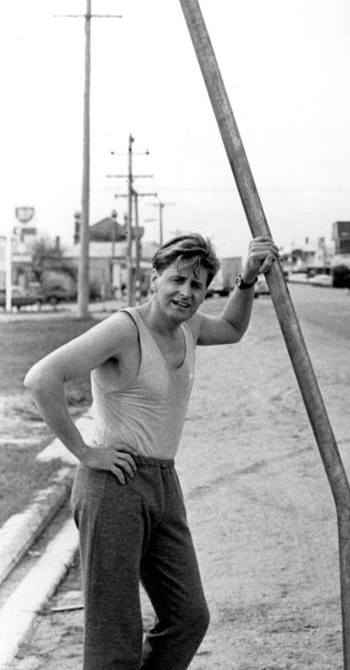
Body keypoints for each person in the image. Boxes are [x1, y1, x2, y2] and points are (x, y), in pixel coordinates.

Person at [24, 232, 279, 670]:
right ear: (154, 278)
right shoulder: (124, 329)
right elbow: (41, 378)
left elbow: (234, 329)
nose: (186, 293)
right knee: (114, 638)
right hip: (114, 486)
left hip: (164, 483)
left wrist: (248, 280)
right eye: (177, 279)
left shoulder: (190, 327)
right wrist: (85, 452)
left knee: (188, 618)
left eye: (197, 286)